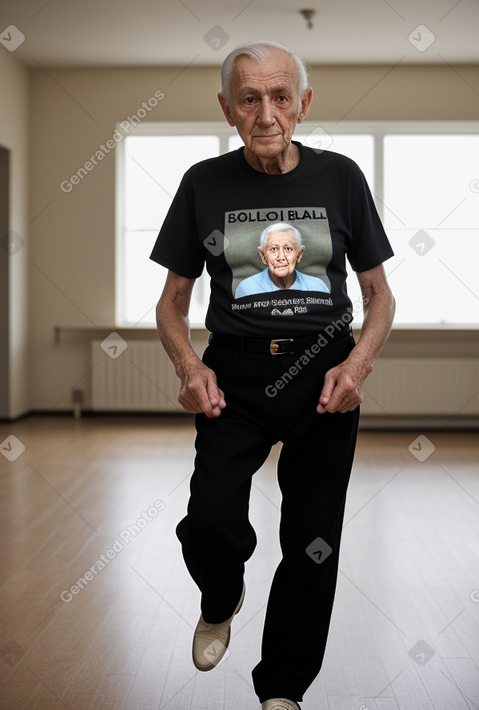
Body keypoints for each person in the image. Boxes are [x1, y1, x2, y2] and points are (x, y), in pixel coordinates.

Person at [151, 39, 395, 710]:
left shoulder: (341, 177)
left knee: (313, 541)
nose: (266, 112)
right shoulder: (204, 182)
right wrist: (189, 364)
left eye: (281, 96)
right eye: (250, 98)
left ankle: (283, 686)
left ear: (303, 103)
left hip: (324, 372)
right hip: (235, 375)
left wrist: (357, 362)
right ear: (227, 108)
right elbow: (172, 302)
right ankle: (221, 592)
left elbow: (380, 294)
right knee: (210, 522)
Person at [234, 222, 330, 298]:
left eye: (288, 249)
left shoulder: (317, 287)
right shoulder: (246, 288)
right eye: (274, 249)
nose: (281, 257)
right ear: (263, 255)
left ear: (299, 254)